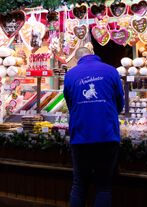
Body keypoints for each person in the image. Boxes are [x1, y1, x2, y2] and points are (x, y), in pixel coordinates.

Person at [63, 46, 125, 207]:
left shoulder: (70, 74)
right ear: (93, 55)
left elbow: (70, 104)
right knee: (103, 187)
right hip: (107, 135)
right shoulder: (111, 71)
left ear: (77, 59)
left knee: (79, 185)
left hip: (80, 136)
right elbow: (120, 102)